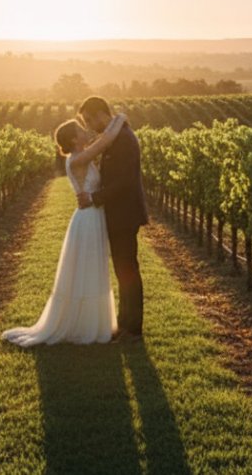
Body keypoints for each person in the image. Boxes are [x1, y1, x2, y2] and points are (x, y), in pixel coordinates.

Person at [1, 111, 129, 346]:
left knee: (93, 268)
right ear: (73, 140)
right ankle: (86, 326)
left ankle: (94, 322)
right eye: (80, 130)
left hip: (92, 215)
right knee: (88, 269)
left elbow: (100, 144)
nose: (85, 131)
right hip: (88, 219)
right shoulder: (77, 159)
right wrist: (119, 118)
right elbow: (105, 141)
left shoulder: (81, 156)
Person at [75, 96, 148, 341]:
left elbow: (123, 182)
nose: (88, 125)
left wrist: (95, 198)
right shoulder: (116, 137)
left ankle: (134, 330)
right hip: (120, 214)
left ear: (100, 114)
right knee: (123, 269)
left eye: (88, 119)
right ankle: (126, 325)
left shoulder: (124, 140)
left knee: (128, 269)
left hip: (125, 214)